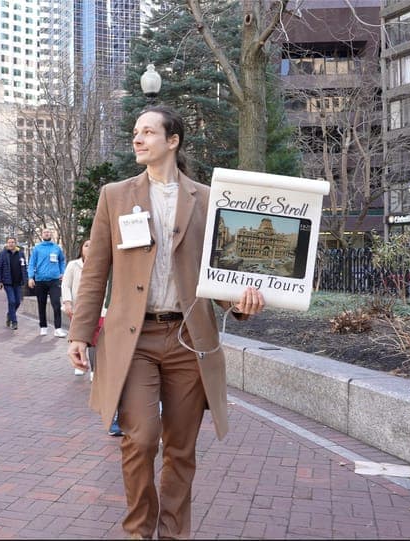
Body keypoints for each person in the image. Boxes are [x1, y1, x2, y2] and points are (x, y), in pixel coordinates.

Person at [66, 106, 265, 539]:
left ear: (172, 141)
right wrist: (80, 333)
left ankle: (174, 533)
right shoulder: (114, 196)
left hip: (189, 340)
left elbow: (224, 270)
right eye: (135, 132)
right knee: (139, 439)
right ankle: (139, 531)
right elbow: (96, 270)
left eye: (148, 132)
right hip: (133, 341)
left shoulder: (208, 199)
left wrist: (243, 303)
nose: (137, 139)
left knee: (180, 448)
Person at [27, 228, 67, 337]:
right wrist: (30, 277)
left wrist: (62, 272)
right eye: (45, 232)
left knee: (56, 303)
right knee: (41, 304)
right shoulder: (37, 248)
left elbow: (62, 261)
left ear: (51, 234)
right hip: (40, 280)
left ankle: (58, 328)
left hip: (54, 280)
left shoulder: (56, 248)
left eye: (49, 232)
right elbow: (31, 264)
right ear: (42, 235)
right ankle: (43, 326)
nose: (47, 233)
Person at [61, 238, 91, 376]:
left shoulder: (102, 265)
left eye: (92, 245)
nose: (89, 248)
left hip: (98, 308)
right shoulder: (73, 265)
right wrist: (67, 302)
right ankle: (79, 363)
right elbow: (66, 285)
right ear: (81, 249)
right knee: (78, 336)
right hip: (78, 307)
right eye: (86, 245)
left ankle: (95, 369)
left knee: (95, 339)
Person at [0, 236, 26, 331]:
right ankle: (14, 321)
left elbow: (24, 267)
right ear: (7, 244)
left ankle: (9, 314)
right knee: (12, 301)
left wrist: (25, 279)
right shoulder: (3, 254)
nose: (11, 244)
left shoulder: (20, 254)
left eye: (13, 242)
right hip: (8, 282)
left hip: (18, 282)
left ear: (15, 243)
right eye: (9, 242)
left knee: (17, 302)